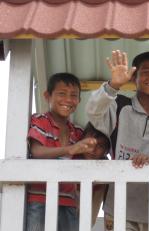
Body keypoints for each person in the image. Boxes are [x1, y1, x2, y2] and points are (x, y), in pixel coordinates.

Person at [86, 50, 149, 231]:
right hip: (118, 203)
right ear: (132, 78)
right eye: (145, 72)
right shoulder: (119, 106)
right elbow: (93, 111)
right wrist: (113, 85)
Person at [26, 72, 97, 231]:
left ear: (79, 100)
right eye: (61, 94)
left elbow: (84, 158)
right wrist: (69, 149)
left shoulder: (77, 131)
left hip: (68, 200)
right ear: (47, 96)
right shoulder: (40, 120)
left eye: (73, 95)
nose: (68, 99)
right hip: (40, 198)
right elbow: (37, 152)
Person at [75, 122, 111, 227]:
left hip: (88, 219)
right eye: (89, 143)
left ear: (106, 151)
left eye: (100, 146)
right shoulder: (72, 159)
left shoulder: (107, 168)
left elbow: (107, 199)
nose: (92, 149)